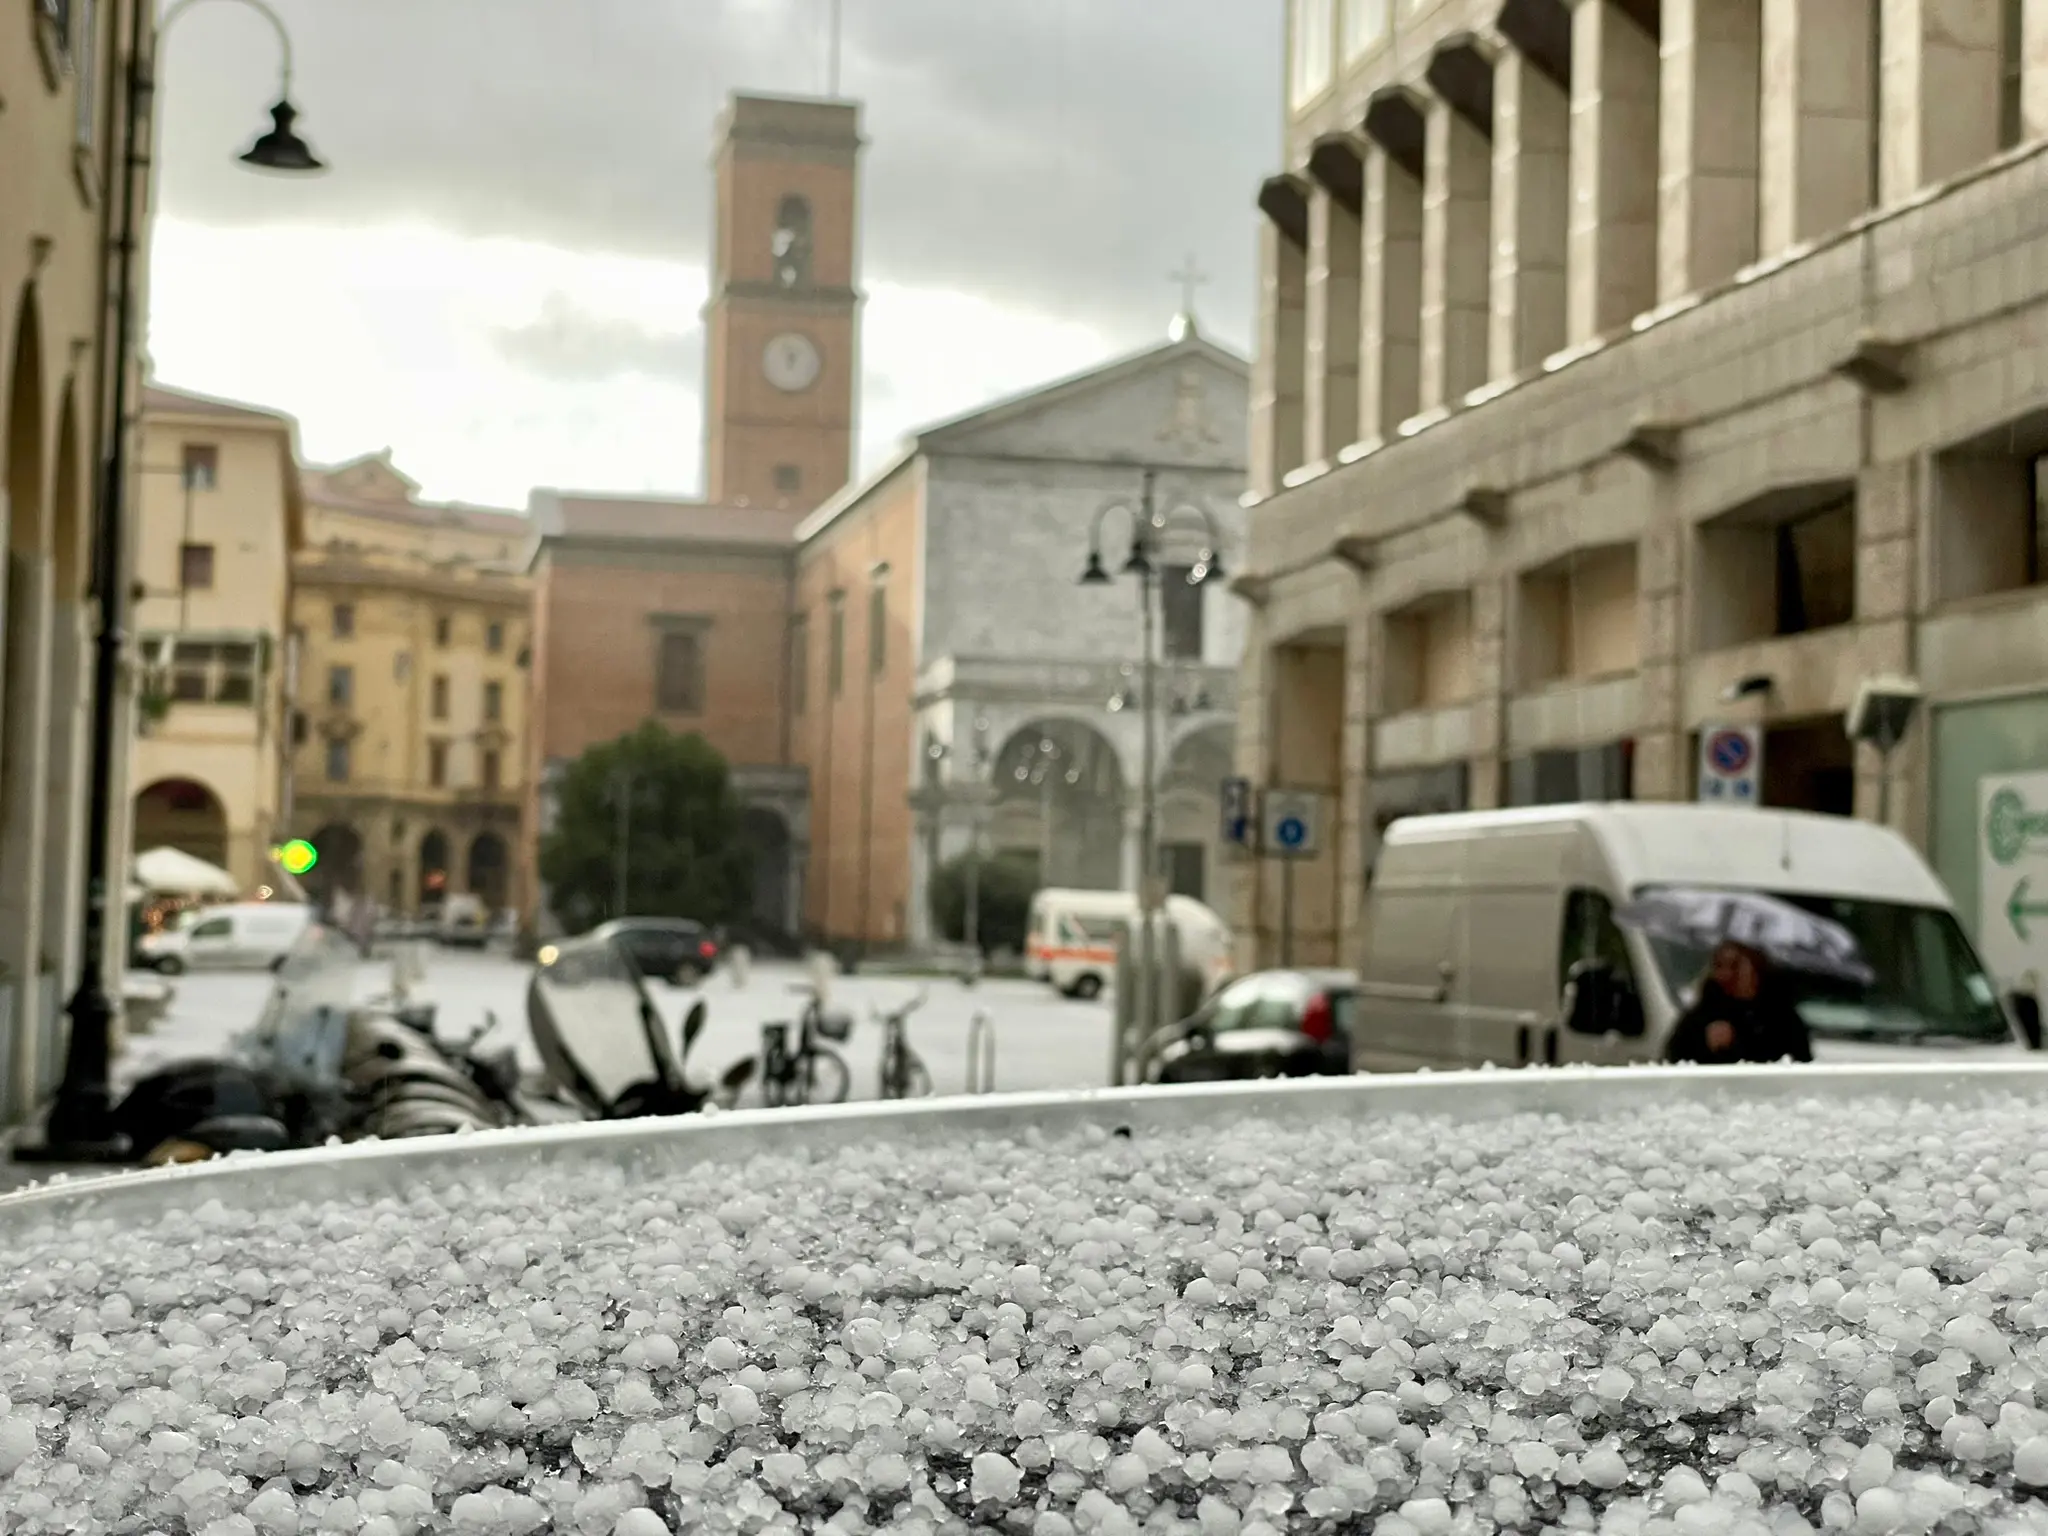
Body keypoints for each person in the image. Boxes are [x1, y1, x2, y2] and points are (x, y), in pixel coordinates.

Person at [1666, 940, 1813, 1064]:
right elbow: (1676, 1058)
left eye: (1734, 966)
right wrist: (1710, 1048)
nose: (1724, 974)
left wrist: (1738, 1044)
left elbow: (1799, 1063)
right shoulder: (1701, 1015)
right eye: (1718, 965)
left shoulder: (1783, 1018)